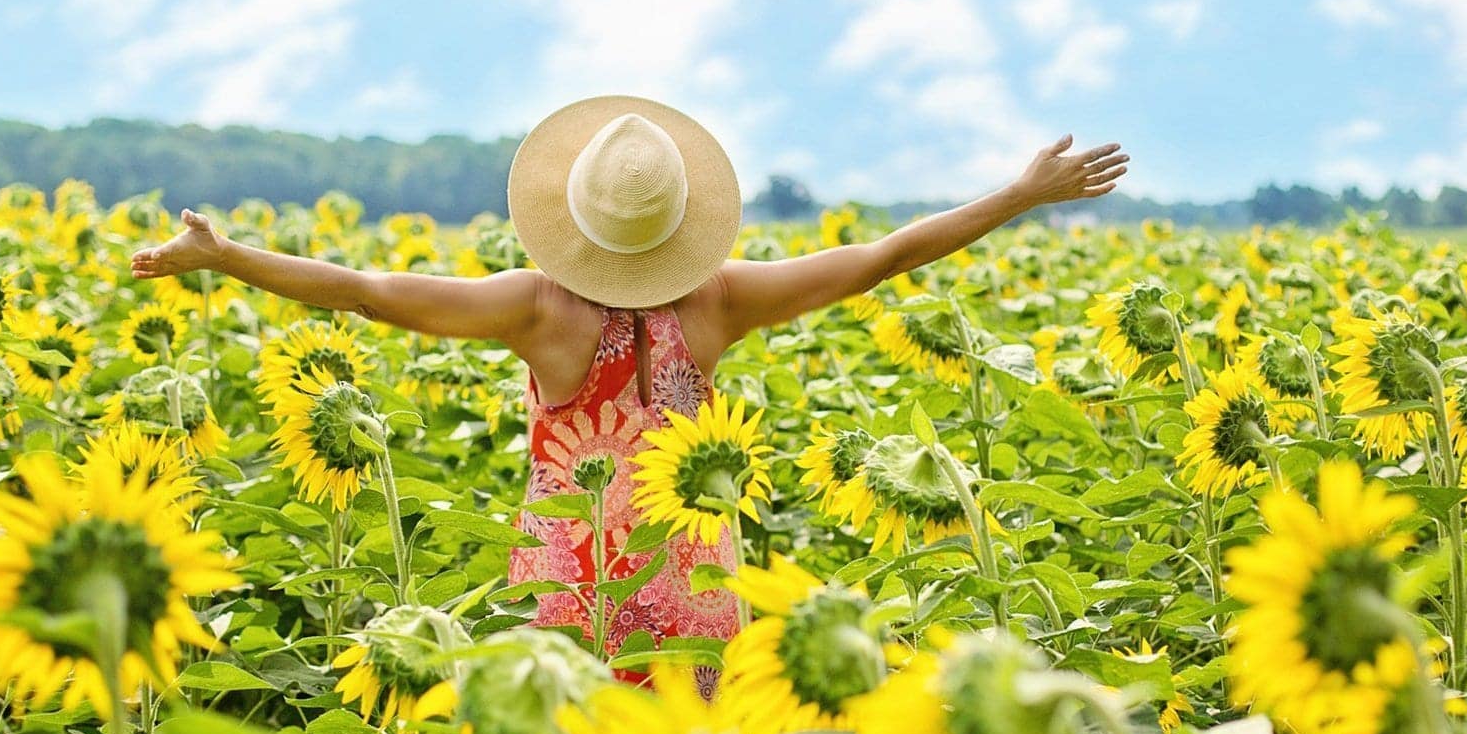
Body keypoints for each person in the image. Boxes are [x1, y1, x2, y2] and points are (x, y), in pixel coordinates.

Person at [131, 95, 1127, 679]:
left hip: (580, 592)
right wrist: (1018, 196)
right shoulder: (722, 301)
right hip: (698, 588)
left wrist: (227, 257)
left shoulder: (539, 311)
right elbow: (880, 257)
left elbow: (368, 292)